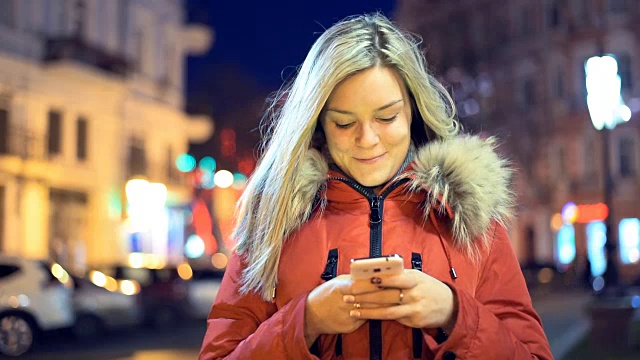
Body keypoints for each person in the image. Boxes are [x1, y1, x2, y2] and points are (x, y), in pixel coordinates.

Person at [199, 13, 552, 360]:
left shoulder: (468, 212)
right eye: (344, 122)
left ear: (413, 109)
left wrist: (454, 314)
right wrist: (304, 323)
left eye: (387, 117)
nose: (367, 139)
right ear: (318, 120)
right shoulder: (275, 219)